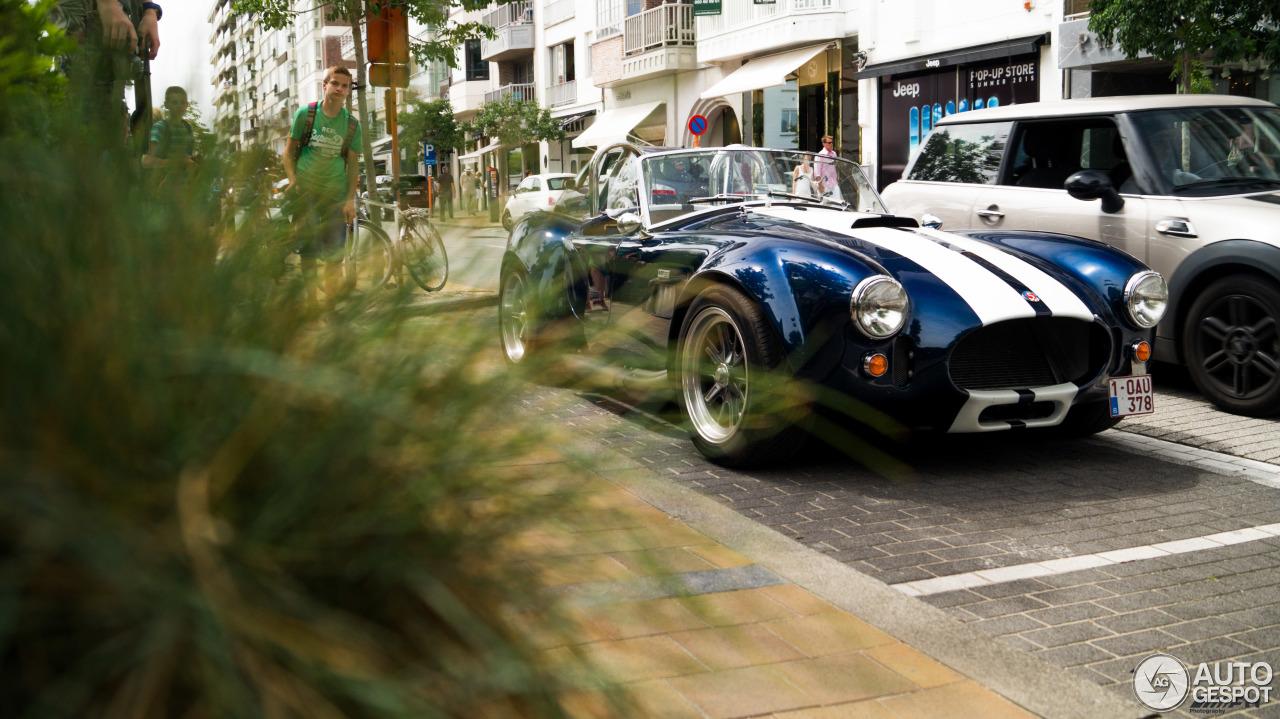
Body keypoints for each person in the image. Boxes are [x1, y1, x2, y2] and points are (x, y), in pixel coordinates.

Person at [283, 66, 362, 307]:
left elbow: (352, 165)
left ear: (349, 91)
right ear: (324, 86)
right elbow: (288, 154)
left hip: (336, 197)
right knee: (308, 253)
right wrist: (293, 181)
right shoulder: (305, 115)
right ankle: (312, 305)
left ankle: (331, 306)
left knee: (334, 256)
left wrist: (350, 200)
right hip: (305, 193)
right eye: (335, 83)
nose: (339, 89)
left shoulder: (352, 125)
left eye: (345, 85)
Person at [52, 0, 161, 139]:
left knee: (109, 117)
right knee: (76, 116)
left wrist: (149, 9)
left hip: (115, 10)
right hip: (88, 7)